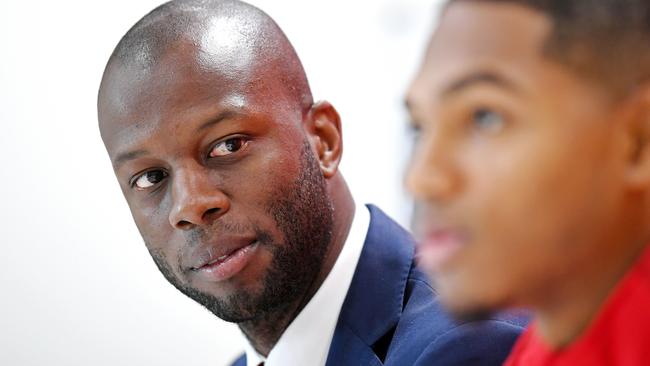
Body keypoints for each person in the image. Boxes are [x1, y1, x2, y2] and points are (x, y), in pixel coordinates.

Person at [97, 0, 525, 365]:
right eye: (150, 177)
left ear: (323, 140)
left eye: (228, 145)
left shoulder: (464, 348)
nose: (189, 205)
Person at [406, 0, 650, 365]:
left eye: (484, 118)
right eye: (419, 127)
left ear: (637, 141)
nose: (422, 179)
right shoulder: (551, 341)